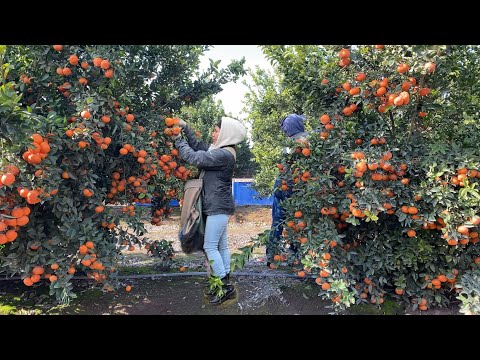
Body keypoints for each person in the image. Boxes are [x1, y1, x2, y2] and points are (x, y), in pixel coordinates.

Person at [173, 116, 247, 305]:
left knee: (210, 247)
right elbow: (199, 146)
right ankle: (224, 281)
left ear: (225, 134)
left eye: (216, 131)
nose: (213, 134)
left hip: (217, 207)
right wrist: (185, 127)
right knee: (221, 246)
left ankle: (223, 286)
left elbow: (193, 157)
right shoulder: (221, 151)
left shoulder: (223, 155)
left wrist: (177, 139)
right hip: (219, 206)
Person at [266, 113, 309, 267]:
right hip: (295, 187)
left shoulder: (287, 143)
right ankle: (295, 255)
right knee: (297, 222)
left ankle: (271, 255)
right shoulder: (304, 139)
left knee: (278, 222)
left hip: (280, 186)